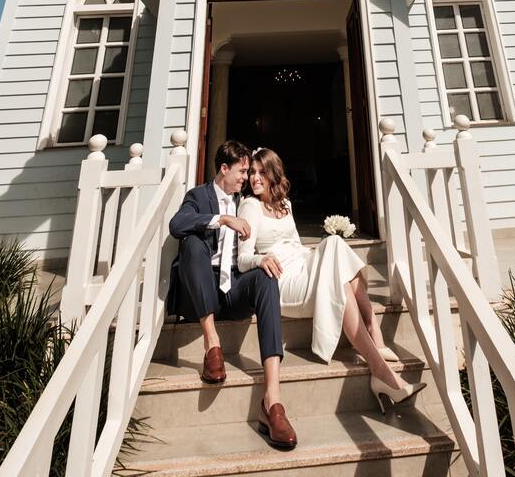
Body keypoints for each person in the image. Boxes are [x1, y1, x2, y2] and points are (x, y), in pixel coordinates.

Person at [237, 147, 426, 411]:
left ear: (273, 174)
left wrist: (317, 257)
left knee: (334, 256)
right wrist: (261, 259)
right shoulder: (249, 206)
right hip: (283, 280)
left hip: (303, 265)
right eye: (252, 173)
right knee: (335, 247)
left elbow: (295, 243)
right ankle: (375, 335)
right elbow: (242, 259)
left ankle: (382, 373)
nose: (254, 178)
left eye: (261, 172)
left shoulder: (285, 204)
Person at [167, 140, 297, 449]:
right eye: (241, 172)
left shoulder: (245, 201)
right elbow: (177, 224)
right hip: (200, 290)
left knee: (266, 278)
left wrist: (263, 258)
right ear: (224, 169)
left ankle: (272, 404)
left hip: (232, 290)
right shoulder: (198, 196)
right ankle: (213, 344)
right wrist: (223, 220)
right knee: (194, 243)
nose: (246, 178)